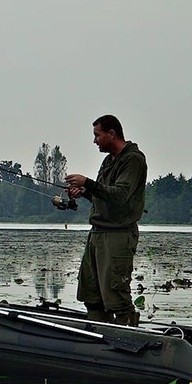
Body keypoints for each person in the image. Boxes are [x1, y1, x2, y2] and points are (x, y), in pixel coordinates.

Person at [64, 115, 147, 325]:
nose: (95, 141)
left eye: (97, 135)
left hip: (118, 235)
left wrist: (88, 183)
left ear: (112, 134)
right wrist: (83, 191)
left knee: (116, 296)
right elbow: (103, 196)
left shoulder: (133, 159)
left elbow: (120, 195)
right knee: (91, 294)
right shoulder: (108, 160)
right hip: (97, 234)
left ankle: (127, 340)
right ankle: (98, 340)